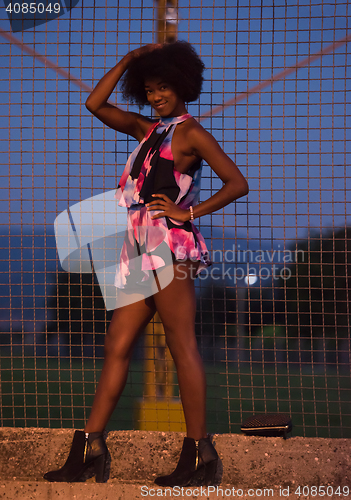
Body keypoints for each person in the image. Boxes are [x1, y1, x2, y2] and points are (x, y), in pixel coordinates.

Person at [44, 41, 249, 486]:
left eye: (164, 88)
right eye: (150, 89)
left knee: (182, 347)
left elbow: (237, 183)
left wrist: (187, 212)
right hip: (136, 250)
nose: (156, 96)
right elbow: (93, 102)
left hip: (170, 250)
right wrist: (128, 61)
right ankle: (89, 450)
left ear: (183, 86)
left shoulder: (191, 133)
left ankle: (200, 457)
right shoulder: (146, 130)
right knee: (116, 346)